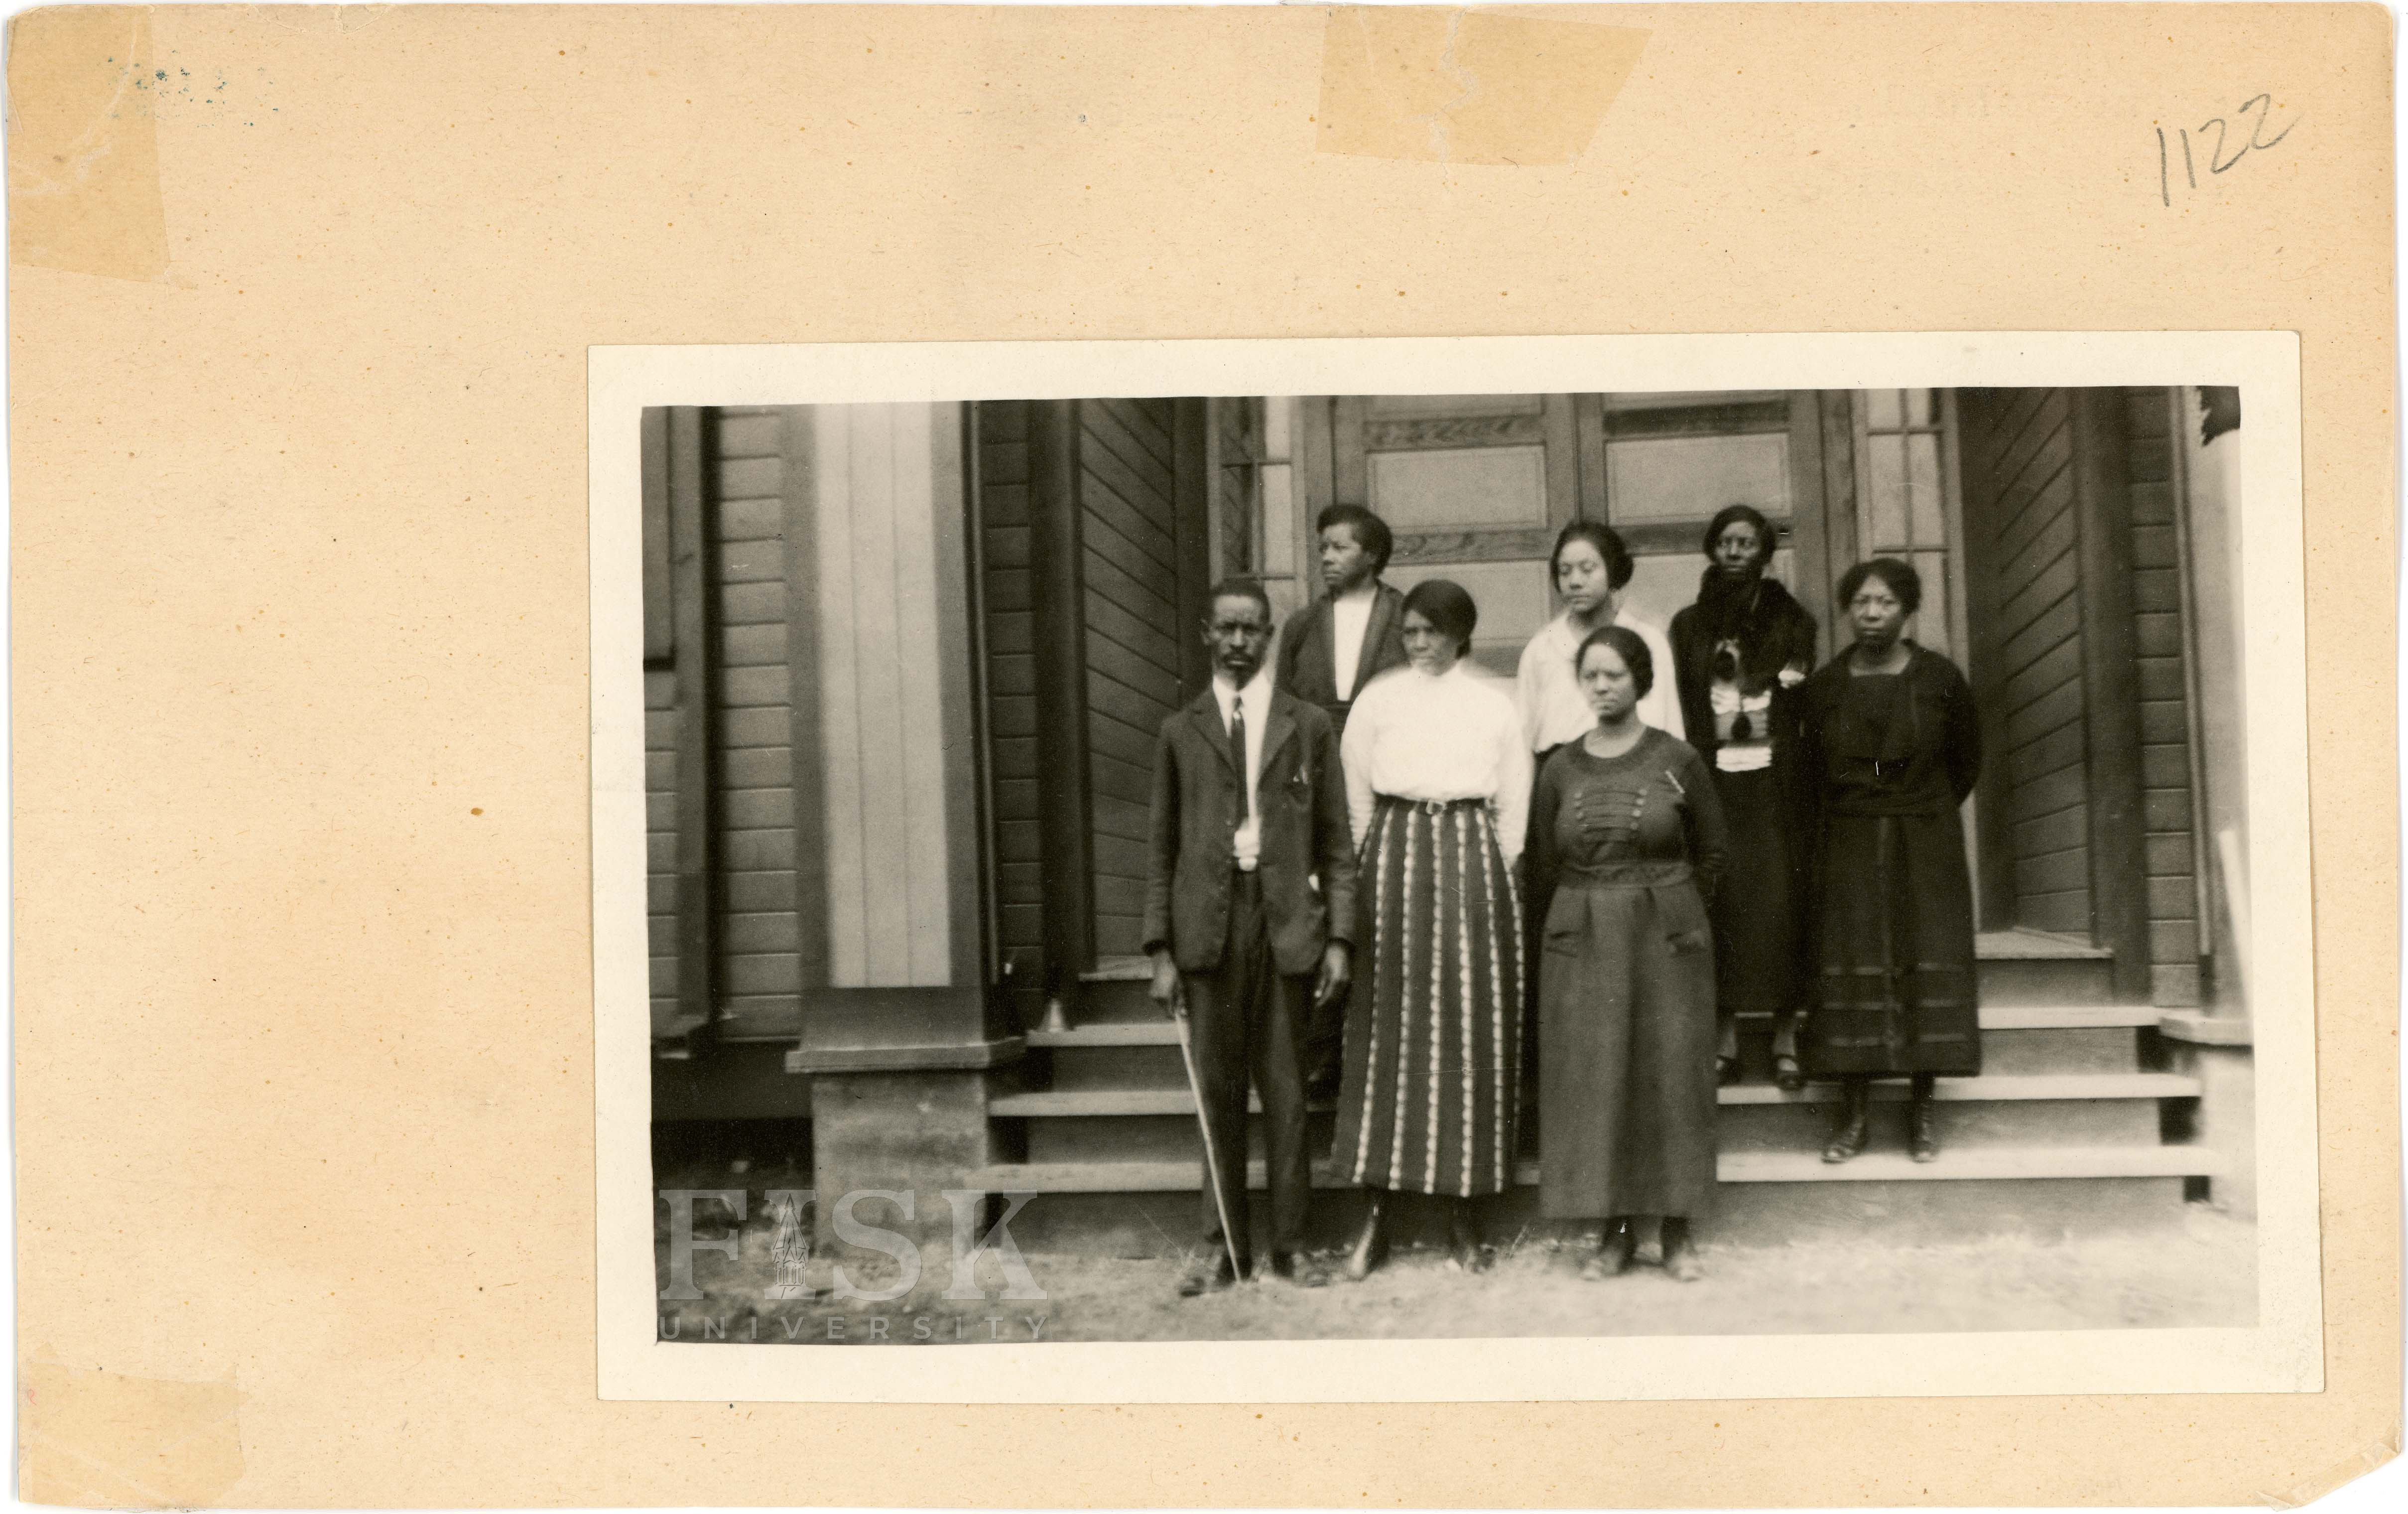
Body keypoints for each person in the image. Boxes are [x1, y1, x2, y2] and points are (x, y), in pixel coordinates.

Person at [1143, 578, 1358, 1295]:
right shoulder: (1180, 730)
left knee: (1288, 1095)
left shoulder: (1308, 724)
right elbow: (1160, 848)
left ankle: (1291, 1245)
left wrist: (1339, 939)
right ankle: (1222, 1247)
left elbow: (1336, 843)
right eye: (1226, 628)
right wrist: (1160, 950)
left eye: (1252, 629)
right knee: (1217, 1094)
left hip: (1286, 924)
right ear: (1207, 633)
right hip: (1208, 927)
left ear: (1269, 637)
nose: (1239, 641)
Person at [1330, 579, 1532, 1280]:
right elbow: (1355, 795)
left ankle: (1463, 1218)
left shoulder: (1493, 703)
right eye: (1409, 632)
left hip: (1471, 859)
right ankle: (1376, 1217)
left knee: (1468, 1031)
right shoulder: (1378, 700)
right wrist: (1376, 861)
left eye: (1431, 632)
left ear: (1459, 634)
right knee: (1387, 1028)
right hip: (1393, 857)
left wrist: (1487, 867)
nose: (1418, 644)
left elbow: (1514, 805)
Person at [1526, 625, 1728, 1282]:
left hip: (1665, 936)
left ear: (1639, 679)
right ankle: (1612, 1233)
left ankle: (1675, 1232)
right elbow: (1544, 860)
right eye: (1590, 675)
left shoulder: (1677, 759)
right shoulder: (1558, 768)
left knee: (1670, 1075)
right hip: (1583, 935)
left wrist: (1675, 909)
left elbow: (1714, 852)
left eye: (1613, 674)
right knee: (1599, 1078)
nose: (1601, 686)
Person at [1794, 558, 1983, 1165]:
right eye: (1861, 603)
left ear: (1907, 610)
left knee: (1922, 959)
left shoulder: (1940, 679)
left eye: (1884, 603)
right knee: (1854, 963)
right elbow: (1807, 772)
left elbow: (1965, 761)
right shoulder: (1824, 687)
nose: (1871, 614)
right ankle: (1852, 1115)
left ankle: (1920, 1110)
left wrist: (1917, 807)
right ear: (1846, 610)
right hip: (1847, 842)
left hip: (1924, 841)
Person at [1668, 505, 1820, 1091]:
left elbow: (1797, 697)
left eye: (1745, 543)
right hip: (1714, 781)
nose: (1734, 552)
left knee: (1781, 901)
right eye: (1724, 542)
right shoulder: (1688, 625)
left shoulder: (1793, 620)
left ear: (1764, 552)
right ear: (1711, 549)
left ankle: (1785, 1038)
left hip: (1775, 785)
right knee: (1721, 901)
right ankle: (1724, 1038)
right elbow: (1684, 704)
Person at [1275, 503, 1409, 1101]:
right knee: (1325, 906)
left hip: (1388, 775)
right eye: (1322, 548)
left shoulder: (1405, 617)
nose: (1326, 558)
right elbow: (1282, 714)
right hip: (1319, 775)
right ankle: (1321, 1053)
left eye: (1339, 547)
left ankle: (1387, 1056)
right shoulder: (1303, 626)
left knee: (1384, 907)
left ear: (1372, 555)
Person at [1517, 521, 1685, 760]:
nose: (1575, 581)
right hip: (1563, 774)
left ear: (1613, 571)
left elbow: (1670, 726)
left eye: (1588, 569)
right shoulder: (1543, 648)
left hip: (1635, 769)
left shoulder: (1648, 640)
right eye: (1565, 571)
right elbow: (1522, 736)